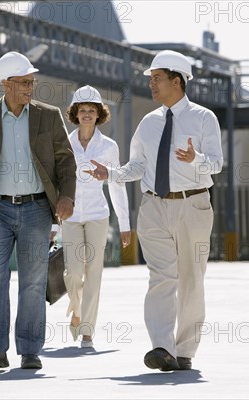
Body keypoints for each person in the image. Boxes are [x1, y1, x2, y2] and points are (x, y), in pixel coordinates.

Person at [87, 50, 223, 371]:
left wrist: (196, 159)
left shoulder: (204, 118)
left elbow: (216, 164)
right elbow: (138, 165)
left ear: (177, 81)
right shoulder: (149, 123)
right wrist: (112, 174)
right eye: (150, 79)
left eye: (157, 78)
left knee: (191, 279)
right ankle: (163, 347)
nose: (151, 84)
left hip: (193, 204)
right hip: (154, 207)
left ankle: (185, 349)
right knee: (161, 277)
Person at [0, 51, 77, 370]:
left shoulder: (48, 116)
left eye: (31, 81)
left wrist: (67, 197)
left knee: (34, 279)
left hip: (36, 207)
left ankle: (30, 349)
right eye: (23, 82)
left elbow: (65, 161)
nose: (30, 87)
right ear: (5, 85)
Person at [62, 85, 131, 349]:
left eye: (92, 110)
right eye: (83, 111)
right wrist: (51, 222)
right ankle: (76, 310)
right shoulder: (64, 143)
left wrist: (124, 225)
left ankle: (87, 331)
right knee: (74, 271)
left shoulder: (109, 147)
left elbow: (116, 184)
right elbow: (56, 183)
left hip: (97, 215)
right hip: (69, 215)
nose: (87, 115)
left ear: (99, 114)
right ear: (75, 114)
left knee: (94, 272)